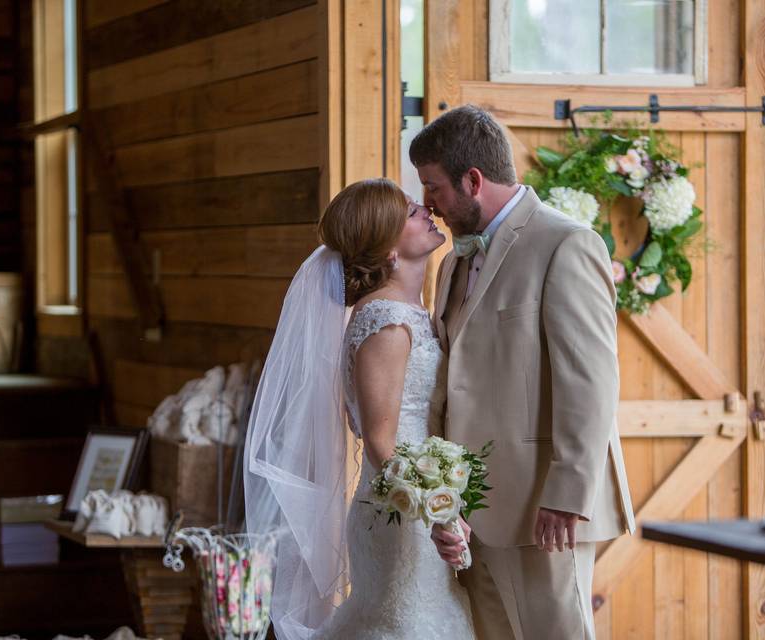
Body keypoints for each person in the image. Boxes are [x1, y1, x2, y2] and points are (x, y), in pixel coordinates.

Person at [410, 105, 636, 640]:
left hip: (544, 509)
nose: (428, 204)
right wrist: (448, 496)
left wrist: (566, 494)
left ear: (473, 180)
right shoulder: (451, 263)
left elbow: (591, 383)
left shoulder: (566, 244)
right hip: (474, 510)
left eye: (433, 187)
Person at [243, 178, 475, 640]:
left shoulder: (406, 312)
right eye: (411, 213)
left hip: (411, 508)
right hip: (403, 517)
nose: (426, 210)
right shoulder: (385, 323)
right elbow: (380, 441)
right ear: (389, 250)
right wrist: (437, 512)